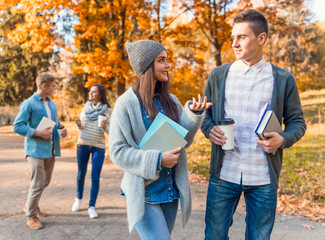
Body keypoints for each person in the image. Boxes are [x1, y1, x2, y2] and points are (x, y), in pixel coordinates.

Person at [201, 9, 307, 240]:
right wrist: (210, 130)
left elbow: (297, 123)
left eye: (242, 37)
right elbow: (205, 117)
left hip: (263, 178)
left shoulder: (283, 79)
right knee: (214, 236)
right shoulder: (218, 76)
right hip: (224, 173)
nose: (234, 43)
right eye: (233, 38)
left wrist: (283, 139)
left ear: (261, 39)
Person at [109, 39, 212, 239]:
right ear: (147, 66)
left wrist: (192, 115)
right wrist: (157, 160)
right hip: (144, 194)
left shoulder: (171, 100)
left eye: (167, 60)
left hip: (170, 191)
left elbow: (183, 142)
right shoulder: (125, 104)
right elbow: (117, 151)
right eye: (161, 60)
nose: (168, 65)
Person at [13, 72, 68, 230]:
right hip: (35, 150)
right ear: (44, 86)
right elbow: (18, 126)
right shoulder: (28, 103)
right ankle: (30, 216)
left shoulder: (52, 104)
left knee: (44, 182)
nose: (55, 88)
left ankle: (33, 204)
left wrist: (61, 130)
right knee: (37, 184)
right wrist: (37, 132)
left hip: (50, 148)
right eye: (53, 85)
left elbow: (55, 123)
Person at [71, 84, 112, 218]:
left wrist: (106, 127)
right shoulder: (86, 107)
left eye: (93, 92)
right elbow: (82, 127)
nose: (90, 94)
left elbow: (111, 131)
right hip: (83, 144)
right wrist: (78, 125)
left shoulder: (108, 110)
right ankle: (78, 199)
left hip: (98, 146)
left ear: (100, 94)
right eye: (90, 91)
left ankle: (92, 206)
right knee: (81, 173)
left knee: (95, 177)